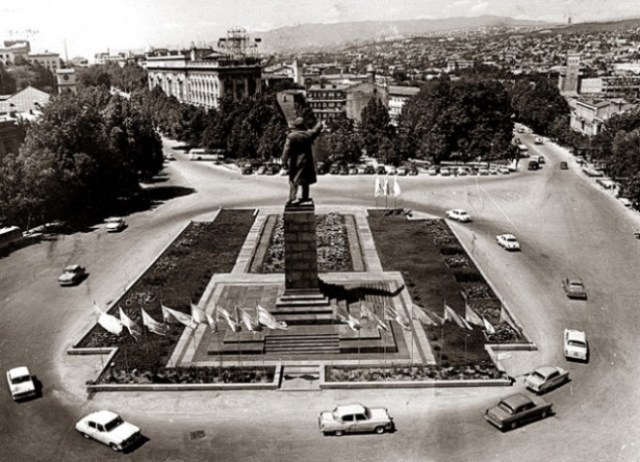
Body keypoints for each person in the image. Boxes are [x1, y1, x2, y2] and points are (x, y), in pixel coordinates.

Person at [281, 117, 323, 206]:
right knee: (305, 181)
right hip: (306, 162)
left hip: (295, 162)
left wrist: (284, 161)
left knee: (293, 181)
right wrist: (320, 123)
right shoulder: (308, 135)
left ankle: (292, 198)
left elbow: (286, 150)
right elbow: (316, 130)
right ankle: (305, 197)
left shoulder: (291, 136)